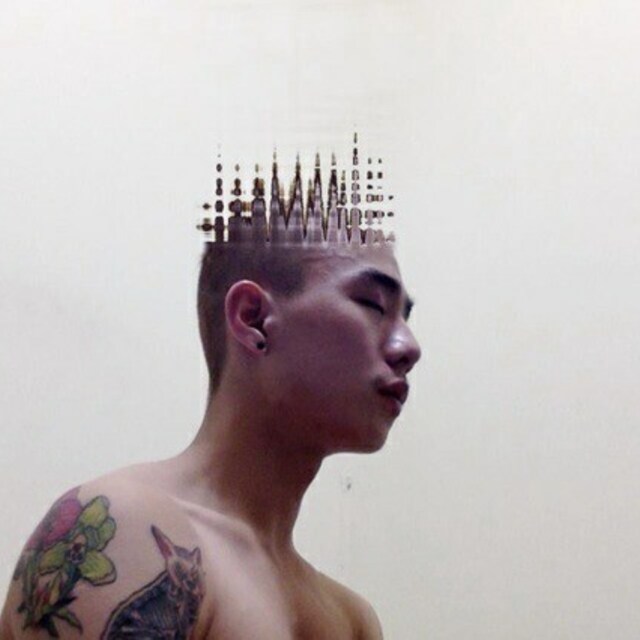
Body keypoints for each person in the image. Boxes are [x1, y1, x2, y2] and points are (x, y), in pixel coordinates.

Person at [0, 142, 421, 639]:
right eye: (373, 305)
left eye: (406, 318)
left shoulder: (353, 620)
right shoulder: (127, 531)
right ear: (253, 319)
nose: (408, 346)